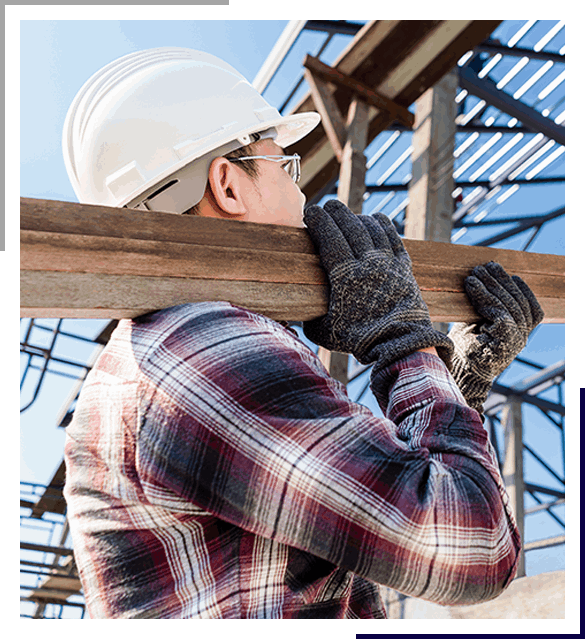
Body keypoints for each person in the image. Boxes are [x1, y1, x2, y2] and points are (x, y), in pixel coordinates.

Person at [62, 48, 543, 619]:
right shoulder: (201, 351)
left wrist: (457, 386)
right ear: (229, 185)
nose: (302, 195)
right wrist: (403, 341)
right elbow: (474, 548)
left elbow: (370, 509)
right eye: (286, 166)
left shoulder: (163, 350)